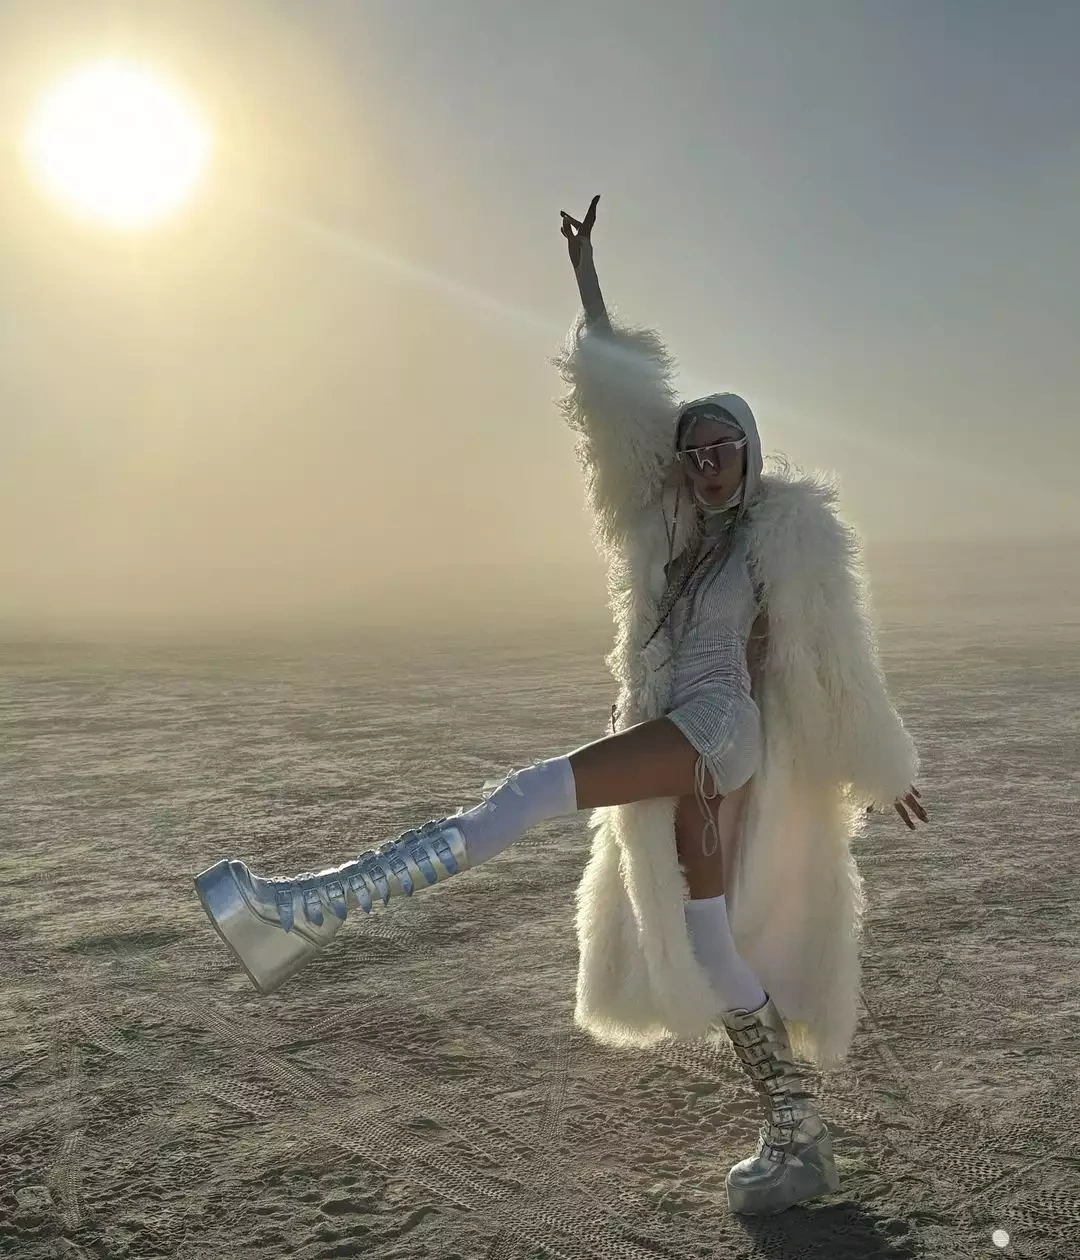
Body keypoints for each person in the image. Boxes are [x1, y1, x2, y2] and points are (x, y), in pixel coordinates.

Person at [194, 194, 928, 1216]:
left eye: (724, 447)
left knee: (533, 791)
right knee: (711, 944)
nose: (707, 463)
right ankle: (799, 1132)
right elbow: (619, 420)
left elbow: (833, 657)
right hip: (689, 740)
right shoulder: (673, 537)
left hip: (718, 733)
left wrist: (879, 763)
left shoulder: (783, 541)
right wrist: (589, 289)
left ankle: (307, 909)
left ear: (751, 452)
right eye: (695, 451)